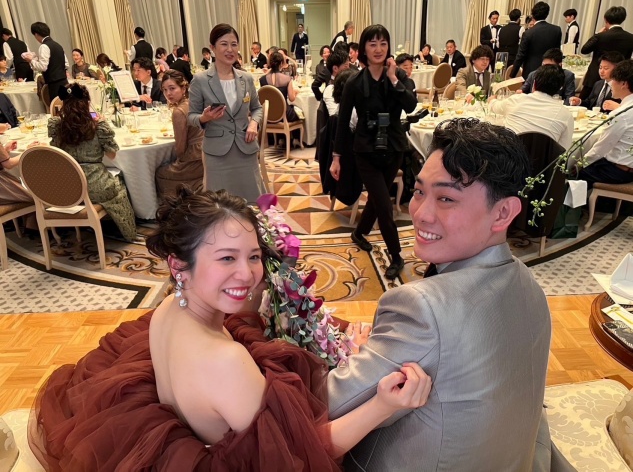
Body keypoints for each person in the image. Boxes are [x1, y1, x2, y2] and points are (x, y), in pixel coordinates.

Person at [28, 186, 432, 470]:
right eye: (226, 258)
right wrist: (384, 406)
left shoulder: (169, 308)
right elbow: (301, 454)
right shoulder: (224, 361)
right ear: (179, 265)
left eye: (253, 256)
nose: (247, 273)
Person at [329, 118, 553, 471]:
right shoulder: (529, 283)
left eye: (446, 198)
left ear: (503, 212)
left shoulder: (423, 307)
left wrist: (353, 355)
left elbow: (330, 405)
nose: (420, 214)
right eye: (419, 191)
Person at [329, 25, 416, 281]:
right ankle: (396, 255)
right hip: (365, 149)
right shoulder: (355, 82)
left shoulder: (398, 75)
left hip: (394, 147)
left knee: (377, 200)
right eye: (372, 44)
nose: (378, 49)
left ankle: (359, 233)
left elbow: (411, 105)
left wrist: (393, 79)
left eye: (383, 43)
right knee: (384, 205)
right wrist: (336, 158)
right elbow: (342, 122)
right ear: (363, 49)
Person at [48, 83, 136, 241]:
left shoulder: (57, 126)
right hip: (95, 186)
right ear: (87, 103)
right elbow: (112, 156)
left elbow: (55, 152)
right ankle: (119, 227)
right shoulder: (98, 127)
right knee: (120, 181)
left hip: (67, 188)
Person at [188, 24, 265, 203]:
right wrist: (205, 118)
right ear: (213, 48)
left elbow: (257, 108)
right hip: (217, 153)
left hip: (245, 148)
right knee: (219, 204)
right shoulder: (200, 80)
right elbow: (191, 117)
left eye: (234, 44)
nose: (230, 49)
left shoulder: (246, 78)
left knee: (251, 200)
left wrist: (254, 123)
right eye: (224, 44)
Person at [490, 65, 574, 150]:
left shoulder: (516, 100)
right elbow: (564, 149)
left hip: (511, 155)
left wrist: (492, 100)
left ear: (534, 83)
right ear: (560, 88)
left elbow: (494, 106)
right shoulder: (566, 115)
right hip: (543, 158)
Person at [578, 60, 633, 189]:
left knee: (575, 174)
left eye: (613, 80)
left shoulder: (622, 114)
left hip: (619, 171)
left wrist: (580, 163)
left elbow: (602, 147)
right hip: (627, 167)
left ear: (624, 84)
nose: (611, 84)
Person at [155, 70, 203, 200]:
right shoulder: (195, 102)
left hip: (195, 161)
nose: (168, 93)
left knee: (160, 173)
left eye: (172, 88)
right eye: (165, 90)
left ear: (183, 88)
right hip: (207, 155)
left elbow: (180, 149)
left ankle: (175, 206)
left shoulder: (179, 111)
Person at [579, 6, 633, 101]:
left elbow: (584, 50)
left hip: (596, 75)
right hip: (619, 79)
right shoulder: (630, 37)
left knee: (583, 102)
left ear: (605, 20)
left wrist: (597, 34)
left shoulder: (601, 36)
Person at [510, 1, 562, 78]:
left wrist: (512, 75)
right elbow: (557, 53)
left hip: (531, 71)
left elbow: (520, 56)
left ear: (533, 15)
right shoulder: (556, 30)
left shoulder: (528, 33)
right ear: (547, 14)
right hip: (550, 71)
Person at [24, 22, 69, 101]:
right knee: (66, 104)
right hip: (64, 82)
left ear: (36, 34)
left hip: (54, 84)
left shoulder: (44, 46)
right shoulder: (58, 45)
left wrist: (31, 60)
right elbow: (66, 64)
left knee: (55, 107)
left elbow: (43, 67)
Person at [259, 51, 300, 123]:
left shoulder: (262, 79)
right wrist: (296, 92)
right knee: (301, 114)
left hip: (267, 115)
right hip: (284, 114)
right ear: (281, 64)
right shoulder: (287, 79)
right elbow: (291, 99)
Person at [322, 49, 351, 116]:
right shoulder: (330, 89)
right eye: (346, 66)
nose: (349, 69)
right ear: (335, 68)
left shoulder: (346, 83)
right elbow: (335, 116)